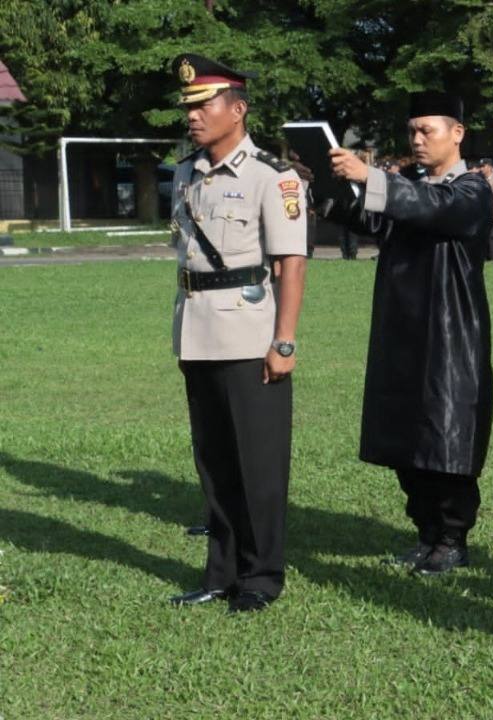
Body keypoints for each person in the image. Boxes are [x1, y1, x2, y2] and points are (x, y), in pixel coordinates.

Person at [324, 91, 493, 575]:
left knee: (445, 438)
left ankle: (452, 537)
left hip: (450, 335)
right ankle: (425, 532)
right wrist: (327, 184)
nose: (417, 140)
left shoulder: (472, 189)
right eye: (412, 131)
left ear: (456, 133)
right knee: (405, 435)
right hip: (402, 329)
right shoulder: (407, 188)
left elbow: (432, 207)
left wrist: (373, 178)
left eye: (428, 131)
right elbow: (368, 216)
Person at [166, 53, 307, 613]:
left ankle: (262, 575)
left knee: (259, 463)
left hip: (250, 335)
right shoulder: (185, 172)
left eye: (205, 105)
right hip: (197, 329)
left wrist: (285, 340)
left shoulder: (274, 176)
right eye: (189, 107)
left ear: (238, 109)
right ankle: (220, 572)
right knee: (215, 461)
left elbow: (291, 263)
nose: (194, 116)